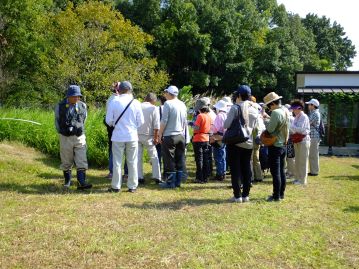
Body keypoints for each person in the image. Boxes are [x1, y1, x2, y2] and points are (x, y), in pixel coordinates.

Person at [224, 85, 261, 203]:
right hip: (249, 142)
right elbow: (257, 127)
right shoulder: (255, 108)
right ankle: (246, 195)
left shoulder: (235, 108)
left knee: (235, 170)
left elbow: (226, 125)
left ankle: (237, 196)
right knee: (246, 169)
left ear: (239, 95)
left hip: (236, 142)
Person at [105, 81, 144, 193]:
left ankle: (116, 186)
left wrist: (115, 125)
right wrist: (132, 127)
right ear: (130, 90)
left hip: (117, 136)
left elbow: (108, 120)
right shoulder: (136, 102)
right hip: (132, 136)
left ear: (119, 90)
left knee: (117, 162)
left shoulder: (114, 101)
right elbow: (140, 121)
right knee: (132, 161)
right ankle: (132, 186)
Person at [55, 85, 92, 190]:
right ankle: (67, 182)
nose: (77, 98)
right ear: (68, 96)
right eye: (74, 96)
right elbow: (56, 121)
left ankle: (81, 183)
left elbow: (84, 120)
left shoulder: (83, 106)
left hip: (79, 137)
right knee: (66, 161)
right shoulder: (59, 106)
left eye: (78, 96)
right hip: (65, 137)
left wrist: (78, 129)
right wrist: (63, 132)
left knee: (82, 159)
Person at [262, 92, 290, 202]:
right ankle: (281, 194)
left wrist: (266, 121)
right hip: (283, 144)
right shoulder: (285, 111)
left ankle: (276, 196)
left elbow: (270, 129)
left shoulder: (276, 113)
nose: (269, 108)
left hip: (275, 145)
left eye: (269, 106)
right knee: (282, 171)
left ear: (273, 103)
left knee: (275, 172)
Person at [158, 85, 187, 188]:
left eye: (166, 93)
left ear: (169, 93)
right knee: (179, 159)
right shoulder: (182, 104)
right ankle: (178, 182)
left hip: (169, 135)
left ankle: (170, 183)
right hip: (180, 135)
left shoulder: (168, 103)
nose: (165, 94)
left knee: (169, 160)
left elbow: (164, 120)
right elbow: (184, 121)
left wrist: (160, 133)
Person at [137, 93, 161, 184]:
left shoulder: (138, 106)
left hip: (137, 134)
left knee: (138, 157)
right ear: (153, 100)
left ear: (145, 98)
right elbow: (156, 125)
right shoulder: (154, 108)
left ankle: (139, 177)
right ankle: (157, 176)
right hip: (149, 136)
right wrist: (156, 137)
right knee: (154, 156)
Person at [191, 99, 212, 183]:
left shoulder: (200, 116)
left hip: (198, 138)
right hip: (206, 138)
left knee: (199, 159)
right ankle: (206, 176)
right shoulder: (208, 116)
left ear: (199, 108)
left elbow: (197, 128)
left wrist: (192, 125)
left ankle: (199, 177)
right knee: (205, 158)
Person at [290, 100, 310, 185]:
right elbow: (294, 129)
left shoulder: (304, 116)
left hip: (304, 140)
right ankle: (297, 178)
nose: (293, 111)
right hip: (297, 140)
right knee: (297, 160)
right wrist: (292, 127)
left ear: (299, 108)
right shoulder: (296, 117)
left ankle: (302, 180)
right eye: (293, 109)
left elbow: (301, 130)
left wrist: (291, 126)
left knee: (303, 161)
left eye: (294, 109)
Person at [104, 82, 120, 179]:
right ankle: (125, 173)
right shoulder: (116, 99)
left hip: (110, 126)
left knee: (112, 147)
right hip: (116, 127)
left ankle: (112, 171)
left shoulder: (110, 99)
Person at [211, 100, 228, 181]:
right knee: (223, 155)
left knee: (218, 156)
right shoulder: (227, 115)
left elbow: (215, 128)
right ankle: (223, 172)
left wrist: (211, 133)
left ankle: (219, 174)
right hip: (225, 136)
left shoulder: (219, 116)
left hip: (218, 136)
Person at [306, 98, 321, 176]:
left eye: (309, 104)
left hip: (314, 137)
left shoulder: (315, 113)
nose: (308, 105)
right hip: (313, 136)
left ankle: (314, 171)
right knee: (312, 154)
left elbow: (307, 122)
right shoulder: (313, 113)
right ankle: (313, 171)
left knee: (313, 154)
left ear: (313, 105)